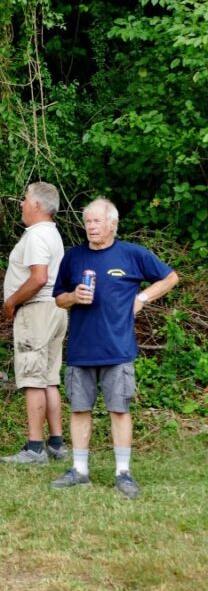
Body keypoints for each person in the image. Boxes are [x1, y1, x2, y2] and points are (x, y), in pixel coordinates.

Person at [50, 198, 178, 499]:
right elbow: (58, 298)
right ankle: (79, 471)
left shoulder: (131, 254)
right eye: (88, 222)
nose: (91, 227)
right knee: (80, 409)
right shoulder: (73, 257)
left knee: (119, 409)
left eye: (97, 221)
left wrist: (142, 299)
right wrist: (73, 296)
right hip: (81, 349)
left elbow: (170, 277)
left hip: (117, 348)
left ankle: (123, 472)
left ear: (113, 224)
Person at [0, 182, 70, 464]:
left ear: (37, 205)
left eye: (25, 199)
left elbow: (39, 277)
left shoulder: (36, 236)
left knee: (32, 378)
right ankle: (56, 443)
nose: (21, 203)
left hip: (37, 310)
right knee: (50, 378)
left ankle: (34, 448)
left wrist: (11, 301)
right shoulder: (53, 234)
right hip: (55, 310)